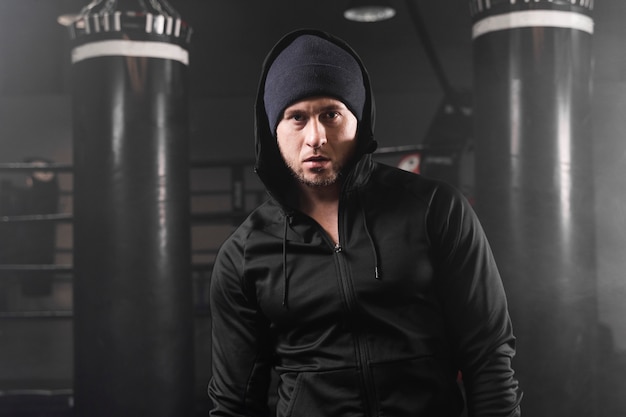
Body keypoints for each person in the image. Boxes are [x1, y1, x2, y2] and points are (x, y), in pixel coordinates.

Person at [208, 28, 522, 417]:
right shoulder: (244, 254)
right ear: (274, 130)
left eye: (330, 114)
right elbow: (234, 403)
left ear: (359, 120)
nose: (315, 137)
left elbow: (488, 356)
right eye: (297, 118)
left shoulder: (435, 210)